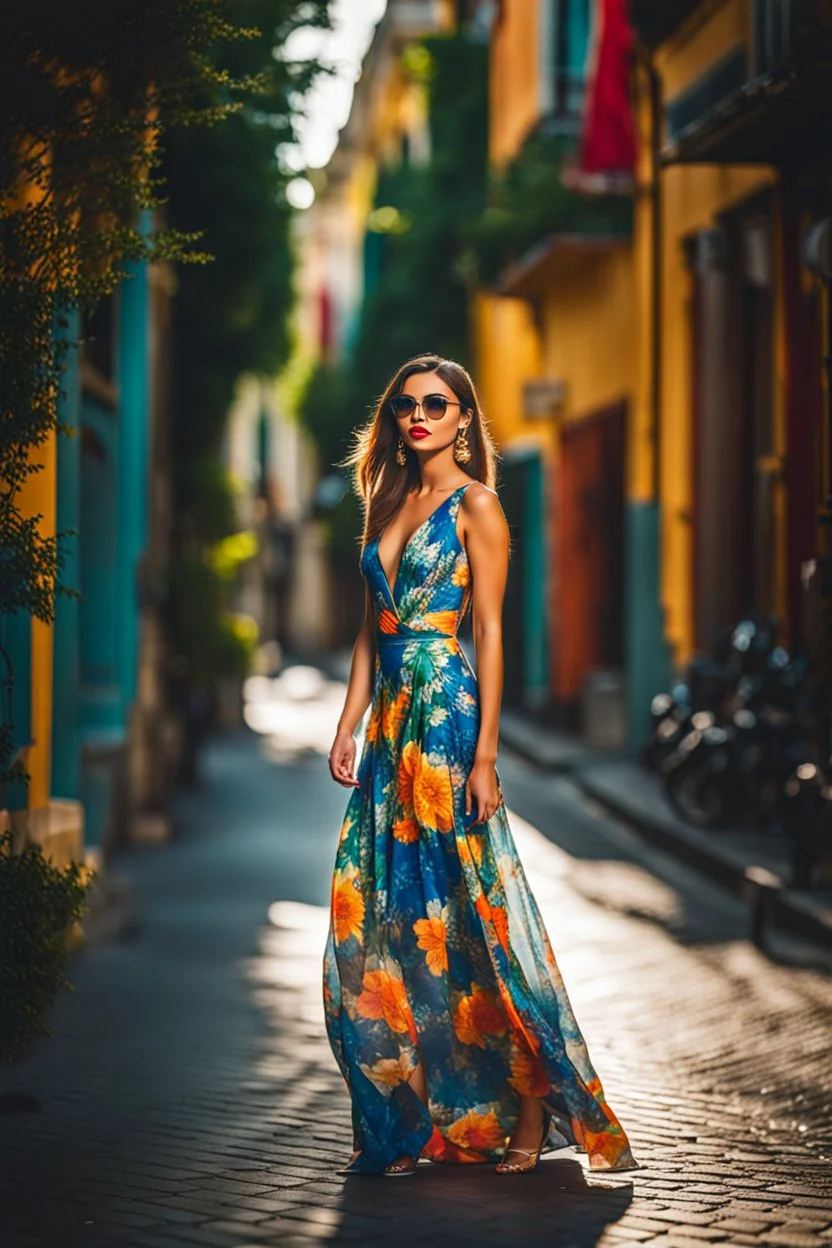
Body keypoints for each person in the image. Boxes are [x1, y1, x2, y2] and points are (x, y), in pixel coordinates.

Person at [322, 354, 637, 1178]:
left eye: (437, 404)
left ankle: (533, 1111)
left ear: (464, 418)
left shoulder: (479, 507)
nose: (418, 416)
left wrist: (487, 752)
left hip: (449, 721)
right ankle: (413, 1120)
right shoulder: (384, 499)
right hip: (391, 730)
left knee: (475, 913)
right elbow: (369, 632)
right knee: (376, 912)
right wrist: (348, 724)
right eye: (405, 405)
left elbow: (488, 633)